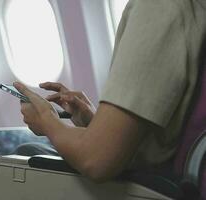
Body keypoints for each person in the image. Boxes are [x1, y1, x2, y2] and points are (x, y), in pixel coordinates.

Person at [14, 0, 206, 182]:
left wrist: (45, 119)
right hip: (174, 170)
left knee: (26, 152)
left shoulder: (159, 7)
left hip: (153, 184)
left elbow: (96, 160)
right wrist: (93, 122)